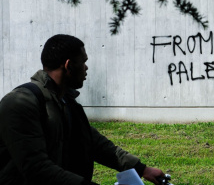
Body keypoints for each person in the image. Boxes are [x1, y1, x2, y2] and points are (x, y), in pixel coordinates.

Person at [0, 34, 165, 185]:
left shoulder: (66, 102)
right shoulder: (20, 103)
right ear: (69, 65)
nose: (86, 68)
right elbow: (36, 169)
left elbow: (95, 143)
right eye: (83, 62)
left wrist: (141, 169)